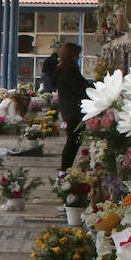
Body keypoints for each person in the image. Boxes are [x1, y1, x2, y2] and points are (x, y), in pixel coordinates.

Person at [50, 42, 91, 172]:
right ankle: (65, 168)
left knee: (73, 139)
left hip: (68, 108)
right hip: (74, 109)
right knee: (74, 140)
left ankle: (66, 167)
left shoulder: (62, 69)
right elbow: (78, 87)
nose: (78, 57)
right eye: (77, 55)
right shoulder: (69, 70)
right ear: (71, 55)